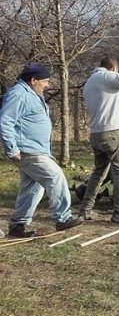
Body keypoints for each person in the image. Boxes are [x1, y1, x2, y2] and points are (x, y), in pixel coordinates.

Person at [0, 63, 82, 237]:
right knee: (55, 176)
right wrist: (11, 149)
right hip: (27, 149)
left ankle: (18, 225)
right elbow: (5, 121)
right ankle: (62, 218)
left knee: (32, 188)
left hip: (36, 148)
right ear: (33, 80)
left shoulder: (31, 93)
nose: (47, 85)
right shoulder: (18, 95)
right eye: (45, 81)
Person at [78, 47, 119, 223]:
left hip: (97, 133)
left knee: (99, 171)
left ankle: (85, 209)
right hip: (112, 134)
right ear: (113, 68)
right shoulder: (105, 76)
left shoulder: (91, 82)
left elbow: (104, 109)